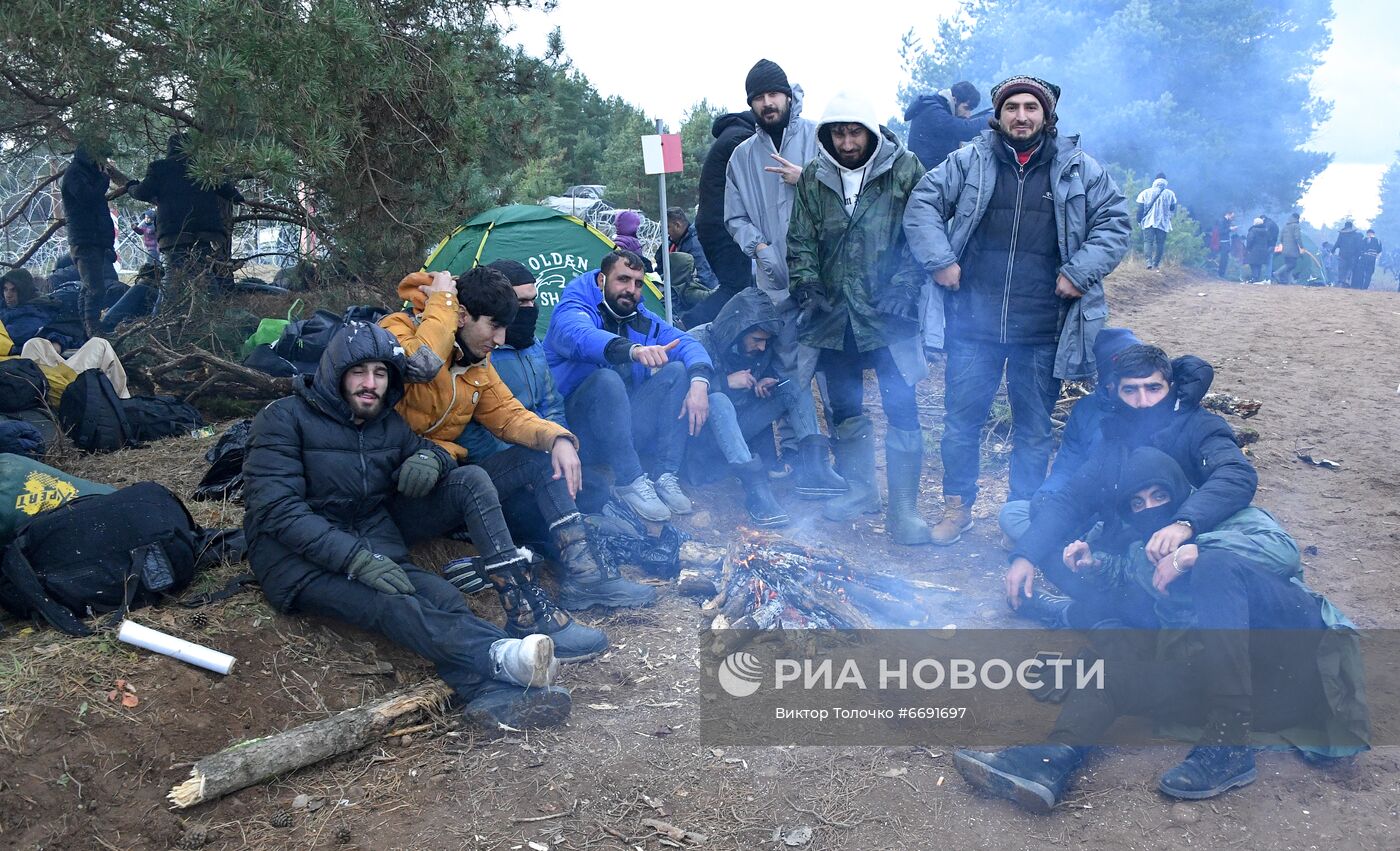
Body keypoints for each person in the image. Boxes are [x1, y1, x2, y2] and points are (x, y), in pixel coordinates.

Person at [955, 447, 1367, 811]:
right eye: (1138, 502)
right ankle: (1049, 761)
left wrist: (1194, 552)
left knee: (1216, 567)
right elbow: (1126, 581)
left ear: (1180, 493)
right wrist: (1093, 565)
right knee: (1113, 663)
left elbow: (1285, 552)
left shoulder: (1240, 518)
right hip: (1245, 692)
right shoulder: (1143, 550)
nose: (1150, 507)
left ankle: (1228, 744)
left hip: (1299, 667)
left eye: (1160, 495)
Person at [242, 322, 572, 729]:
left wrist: (433, 458)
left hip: (372, 546)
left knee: (443, 597)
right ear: (335, 373)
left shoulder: (387, 424)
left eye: (380, 374)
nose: (370, 384)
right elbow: (276, 509)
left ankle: (488, 696)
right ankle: (500, 656)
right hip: (295, 561)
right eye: (359, 372)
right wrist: (354, 559)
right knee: (392, 605)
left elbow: (430, 451)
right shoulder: (282, 419)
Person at [905, 74, 1131, 546]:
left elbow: (1114, 221)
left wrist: (1080, 271)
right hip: (973, 324)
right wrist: (941, 259)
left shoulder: (1078, 169)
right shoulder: (970, 161)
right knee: (960, 423)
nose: (1022, 116)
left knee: (1032, 430)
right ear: (999, 114)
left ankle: (1019, 518)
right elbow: (923, 202)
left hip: (1043, 326)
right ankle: (957, 508)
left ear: (1047, 116)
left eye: (1031, 107)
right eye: (1013, 108)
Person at [378, 265, 636, 654]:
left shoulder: (475, 364)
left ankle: (584, 572)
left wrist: (558, 438)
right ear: (461, 316)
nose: (500, 339)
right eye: (494, 327)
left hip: (434, 488)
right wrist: (445, 305)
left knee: (537, 453)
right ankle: (524, 611)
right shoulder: (395, 331)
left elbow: (511, 416)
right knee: (474, 480)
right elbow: (420, 367)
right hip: (387, 499)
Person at [1004, 344, 1258, 619]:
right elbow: (1071, 500)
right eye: (1130, 390)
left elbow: (1236, 473)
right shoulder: (1116, 435)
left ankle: (1081, 615)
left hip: (1186, 552)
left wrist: (1184, 523)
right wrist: (1025, 556)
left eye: (1152, 388)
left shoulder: (1200, 426)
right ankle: (1107, 610)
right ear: (1115, 391)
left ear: (1170, 386)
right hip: (1126, 546)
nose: (1143, 402)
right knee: (1034, 526)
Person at [786, 91, 931, 544]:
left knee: (900, 403)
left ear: (871, 131)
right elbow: (800, 238)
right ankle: (862, 490)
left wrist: (906, 286)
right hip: (835, 313)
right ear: (826, 136)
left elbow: (923, 231)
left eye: (855, 133)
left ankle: (904, 510)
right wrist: (806, 283)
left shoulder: (905, 168)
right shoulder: (814, 176)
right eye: (838, 133)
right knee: (843, 403)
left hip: (890, 311)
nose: (847, 143)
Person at [545, 249, 713, 523]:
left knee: (678, 371)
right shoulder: (574, 308)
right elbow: (580, 337)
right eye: (623, 279)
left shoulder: (639, 316)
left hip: (620, 429)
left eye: (638, 283)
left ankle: (665, 474)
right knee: (606, 379)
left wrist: (700, 381)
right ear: (601, 280)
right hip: (576, 433)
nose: (631, 290)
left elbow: (686, 343)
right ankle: (629, 480)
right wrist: (633, 350)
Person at [724, 59, 822, 472]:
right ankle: (800, 456)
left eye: (772, 94)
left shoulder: (819, 136)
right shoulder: (742, 156)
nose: (767, 103)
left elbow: (851, 189)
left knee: (826, 368)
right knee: (783, 364)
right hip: (772, 281)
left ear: (788, 95)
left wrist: (809, 179)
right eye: (758, 97)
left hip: (821, 275)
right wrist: (760, 247)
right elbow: (733, 217)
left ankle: (834, 459)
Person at [685, 287, 846, 518]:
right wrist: (725, 382)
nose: (762, 347)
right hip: (703, 439)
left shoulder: (760, 348)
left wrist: (763, 382)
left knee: (794, 386)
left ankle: (814, 470)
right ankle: (756, 491)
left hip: (743, 429)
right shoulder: (697, 340)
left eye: (765, 341)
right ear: (738, 331)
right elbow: (677, 390)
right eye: (757, 340)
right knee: (718, 400)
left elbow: (767, 375)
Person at [997, 327, 1142, 547]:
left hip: (1132, 510)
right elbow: (1066, 466)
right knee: (1012, 512)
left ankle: (1057, 544)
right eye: (1122, 380)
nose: (1134, 388)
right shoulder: (1087, 408)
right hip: (1084, 506)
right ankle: (1074, 544)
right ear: (1106, 381)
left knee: (1111, 530)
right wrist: (1048, 496)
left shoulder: (1152, 406)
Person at [116, 134, 244, 293]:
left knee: (173, 277)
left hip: (174, 234)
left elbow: (142, 192)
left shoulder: (160, 168)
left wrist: (130, 186)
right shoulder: (202, 168)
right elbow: (228, 191)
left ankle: (162, 314)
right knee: (205, 274)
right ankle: (214, 310)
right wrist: (240, 198)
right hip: (204, 233)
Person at [688, 110, 757, 327]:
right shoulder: (741, 139)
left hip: (713, 223)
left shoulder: (730, 135)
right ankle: (687, 325)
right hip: (724, 225)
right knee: (736, 288)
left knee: (738, 286)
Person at [60, 143, 118, 336]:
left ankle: (88, 328)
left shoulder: (87, 174)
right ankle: (92, 329)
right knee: (94, 288)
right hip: (84, 239)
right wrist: (104, 179)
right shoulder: (75, 174)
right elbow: (88, 198)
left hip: (94, 238)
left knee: (91, 286)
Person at [904, 81, 987, 170]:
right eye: (966, 108)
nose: (968, 115)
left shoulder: (934, 107)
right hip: (927, 178)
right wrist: (991, 120)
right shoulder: (932, 111)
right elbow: (964, 130)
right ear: (954, 100)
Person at [659, 208, 718, 292]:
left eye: (667, 227)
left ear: (677, 225)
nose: (665, 232)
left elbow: (704, 275)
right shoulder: (679, 241)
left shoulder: (693, 245)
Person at [1135, 173, 1177, 270]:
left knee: (1148, 242)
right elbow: (1172, 207)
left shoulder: (1145, 192)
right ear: (1165, 181)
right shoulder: (1170, 194)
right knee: (1160, 243)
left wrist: (1138, 220)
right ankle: (1156, 263)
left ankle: (1148, 262)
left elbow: (1140, 209)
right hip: (1163, 222)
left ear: (1155, 180)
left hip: (1148, 221)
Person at [1, 268, 50, 352]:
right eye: (5, 289)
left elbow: (14, 334)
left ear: (24, 291)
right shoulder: (4, 308)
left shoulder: (38, 311)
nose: (8, 295)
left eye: (13, 290)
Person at [1332, 219, 1363, 288]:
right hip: (1351, 256)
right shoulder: (1355, 235)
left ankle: (1341, 281)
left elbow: (1337, 243)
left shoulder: (1342, 234)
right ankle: (1345, 281)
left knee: (1342, 268)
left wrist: (1332, 251)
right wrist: (1358, 255)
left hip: (1343, 255)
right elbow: (1358, 246)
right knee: (1348, 268)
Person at [1275, 212, 1302, 284]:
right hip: (1293, 249)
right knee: (1292, 264)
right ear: (1297, 218)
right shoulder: (1296, 226)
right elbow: (1297, 237)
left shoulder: (1285, 226)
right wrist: (1301, 247)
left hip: (1285, 249)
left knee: (1288, 265)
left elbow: (1280, 238)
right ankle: (1277, 273)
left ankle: (1289, 282)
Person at [1244, 216, 1270, 282]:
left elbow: (1250, 240)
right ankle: (1257, 277)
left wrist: (1248, 248)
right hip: (1263, 249)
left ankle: (1254, 278)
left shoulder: (1253, 231)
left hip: (1254, 249)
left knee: (1253, 264)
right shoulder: (1266, 231)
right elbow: (1269, 240)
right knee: (1259, 264)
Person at [1213, 211, 1237, 278]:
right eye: (1232, 217)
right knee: (1223, 259)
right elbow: (1220, 232)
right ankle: (1220, 274)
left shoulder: (1227, 221)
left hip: (1226, 242)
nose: (1232, 218)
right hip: (1222, 243)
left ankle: (1222, 274)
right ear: (1228, 214)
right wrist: (1230, 229)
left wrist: (1231, 229)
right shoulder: (1221, 221)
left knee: (1225, 259)